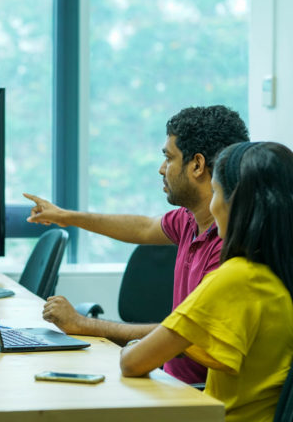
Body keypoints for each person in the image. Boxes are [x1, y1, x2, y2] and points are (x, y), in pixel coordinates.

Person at [24, 105, 249, 385]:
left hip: (194, 392)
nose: (162, 169)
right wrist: (66, 217)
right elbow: (143, 227)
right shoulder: (190, 220)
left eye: (169, 158)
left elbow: (187, 337)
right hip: (166, 378)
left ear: (197, 165)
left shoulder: (228, 250)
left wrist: (85, 325)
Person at [120, 141, 293, 421]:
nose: (212, 204)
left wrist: (134, 347)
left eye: (216, 192)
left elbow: (132, 364)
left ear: (238, 205)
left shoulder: (236, 278)